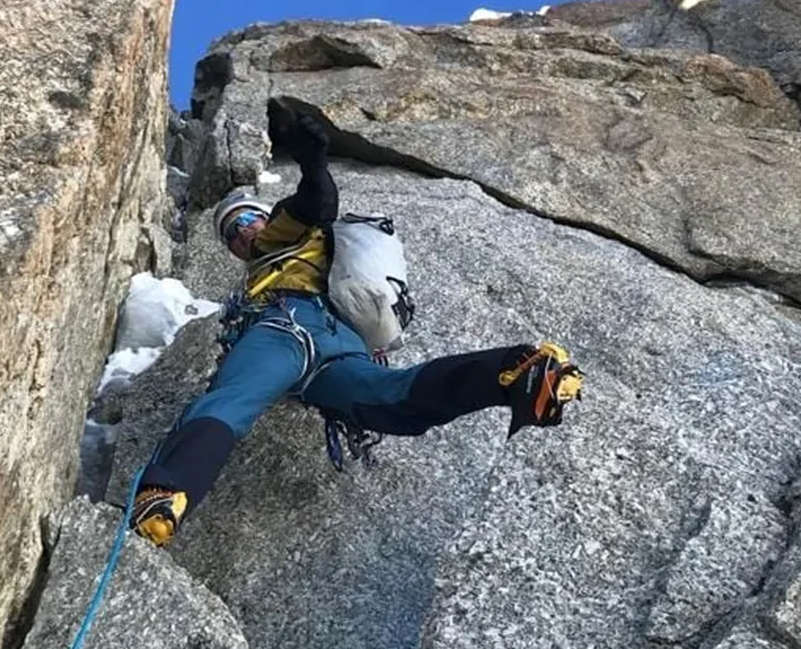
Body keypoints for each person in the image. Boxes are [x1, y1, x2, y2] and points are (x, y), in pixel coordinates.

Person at [128, 113, 584, 546]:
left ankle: (166, 491)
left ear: (264, 219)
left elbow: (317, 203)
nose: (243, 234)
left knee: (233, 398)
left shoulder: (282, 238)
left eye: (247, 220)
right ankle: (513, 373)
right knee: (391, 399)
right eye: (232, 234)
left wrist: (313, 163)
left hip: (287, 327)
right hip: (339, 350)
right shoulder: (269, 261)